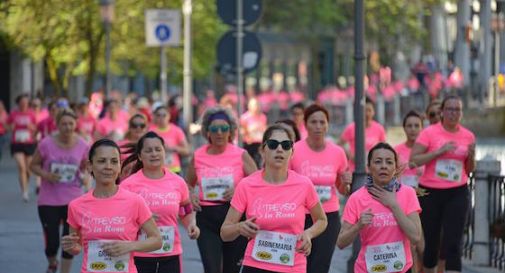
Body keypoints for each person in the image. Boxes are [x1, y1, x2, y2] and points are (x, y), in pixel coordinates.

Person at [221, 124, 328, 273]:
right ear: (262, 150)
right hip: (256, 265)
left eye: (286, 145)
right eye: (272, 144)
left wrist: (308, 234)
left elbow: (322, 220)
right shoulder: (247, 185)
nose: (279, 149)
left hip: (292, 266)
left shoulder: (304, 184)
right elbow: (225, 232)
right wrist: (240, 227)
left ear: (292, 151)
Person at [61, 139, 162, 273]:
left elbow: (157, 240)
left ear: (120, 166)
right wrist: (70, 247)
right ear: (90, 166)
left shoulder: (135, 201)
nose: (108, 166)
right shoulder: (76, 206)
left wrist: (130, 246)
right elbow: (77, 247)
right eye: (102, 161)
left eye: (114, 161)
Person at [186, 106, 257, 273]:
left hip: (234, 216)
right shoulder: (198, 155)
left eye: (224, 128)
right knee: (212, 269)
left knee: (231, 269)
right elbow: (187, 185)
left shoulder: (240, 154)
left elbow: (257, 181)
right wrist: (190, 195)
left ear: (231, 131)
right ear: (207, 132)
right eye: (214, 129)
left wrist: (238, 190)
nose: (219, 133)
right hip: (207, 218)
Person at [410, 95, 475, 273]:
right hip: (430, 192)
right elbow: (413, 160)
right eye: (450, 109)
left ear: (461, 113)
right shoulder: (429, 133)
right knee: (432, 242)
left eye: (457, 110)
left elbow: (469, 170)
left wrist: (472, 156)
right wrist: (439, 151)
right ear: (442, 112)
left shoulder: (468, 136)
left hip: (457, 191)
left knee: (454, 242)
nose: (453, 113)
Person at [120, 131, 200, 273]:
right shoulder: (128, 185)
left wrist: (191, 225)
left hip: (170, 253)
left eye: (158, 149)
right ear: (139, 156)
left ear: (164, 152)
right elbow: (120, 220)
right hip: (139, 253)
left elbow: (185, 209)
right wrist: (141, 220)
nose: (154, 154)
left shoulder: (178, 182)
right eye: (148, 150)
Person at [337, 142, 422, 273]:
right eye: (378, 162)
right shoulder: (357, 198)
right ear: (369, 167)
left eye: (389, 162)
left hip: (401, 269)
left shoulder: (407, 193)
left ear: (395, 167)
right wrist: (358, 226)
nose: (383, 166)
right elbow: (341, 243)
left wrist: (393, 205)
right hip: (368, 269)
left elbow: (415, 237)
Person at [289, 104, 351, 273]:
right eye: (313, 122)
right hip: (301, 216)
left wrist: (346, 183)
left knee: (320, 266)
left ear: (327, 125)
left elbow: (342, 189)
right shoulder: (294, 150)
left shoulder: (337, 152)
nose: (318, 126)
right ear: (305, 124)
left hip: (328, 217)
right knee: (300, 265)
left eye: (322, 122)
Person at [29, 108, 90, 273]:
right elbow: (33, 165)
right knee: (52, 243)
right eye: (64, 124)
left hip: (73, 201)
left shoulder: (83, 145)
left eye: (71, 123)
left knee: (69, 241)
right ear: (57, 125)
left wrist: (85, 177)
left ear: (76, 124)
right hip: (49, 200)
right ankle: (52, 262)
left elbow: (87, 167)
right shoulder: (46, 144)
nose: (68, 127)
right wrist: (47, 175)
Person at [339, 97, 386, 171]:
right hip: (354, 169)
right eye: (364, 110)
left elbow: (384, 148)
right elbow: (339, 144)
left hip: (373, 170)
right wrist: (350, 155)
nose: (367, 113)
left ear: (373, 112)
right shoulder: (351, 128)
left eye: (369, 110)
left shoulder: (379, 128)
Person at [7, 94, 38, 201]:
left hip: (28, 143)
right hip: (17, 143)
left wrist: (31, 128)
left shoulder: (31, 113)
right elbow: (8, 126)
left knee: (29, 169)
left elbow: (36, 128)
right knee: (21, 167)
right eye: (22, 102)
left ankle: (26, 184)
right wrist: (11, 127)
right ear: (18, 103)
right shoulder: (13, 113)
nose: (24, 104)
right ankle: (24, 192)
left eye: (26, 102)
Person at [150, 105, 190, 175]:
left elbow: (187, 151)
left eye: (164, 115)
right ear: (155, 117)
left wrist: (173, 148)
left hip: (174, 169)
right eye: (158, 115)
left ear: (169, 116)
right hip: (157, 170)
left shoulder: (176, 130)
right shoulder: (151, 131)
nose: (161, 118)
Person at [395, 111, 425, 188]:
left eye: (416, 126)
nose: (413, 129)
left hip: (424, 194)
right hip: (401, 194)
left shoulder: (428, 151)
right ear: (404, 128)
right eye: (409, 126)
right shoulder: (395, 151)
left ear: (422, 128)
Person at [118, 114, 149, 179]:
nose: (138, 128)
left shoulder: (150, 145)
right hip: (125, 184)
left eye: (142, 126)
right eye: (134, 125)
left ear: (146, 128)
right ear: (129, 127)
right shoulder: (120, 145)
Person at [240, 97, 267, 167]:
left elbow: (264, 129)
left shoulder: (263, 117)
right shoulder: (244, 117)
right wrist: (250, 130)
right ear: (249, 106)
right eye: (254, 105)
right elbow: (242, 132)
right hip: (249, 144)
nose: (256, 107)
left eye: (257, 105)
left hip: (260, 144)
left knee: (259, 163)